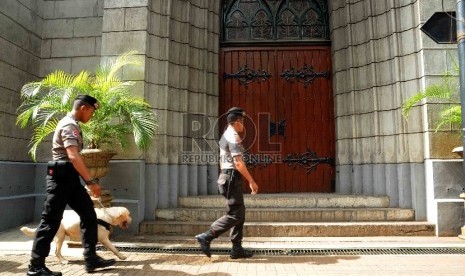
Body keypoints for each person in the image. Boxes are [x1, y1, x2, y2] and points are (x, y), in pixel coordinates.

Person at [27, 95, 115, 276]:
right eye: (91, 111)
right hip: (60, 180)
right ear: (83, 108)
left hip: (70, 178)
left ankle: (91, 259)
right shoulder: (69, 125)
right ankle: (35, 266)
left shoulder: (73, 124)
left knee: (88, 214)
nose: (91, 115)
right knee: (50, 221)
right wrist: (90, 182)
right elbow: (73, 156)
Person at [195, 107, 259, 259]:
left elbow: (221, 160)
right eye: (242, 121)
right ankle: (207, 236)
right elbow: (238, 163)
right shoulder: (233, 136)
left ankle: (237, 248)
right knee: (236, 214)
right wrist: (252, 181)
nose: (243, 124)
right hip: (231, 177)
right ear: (237, 122)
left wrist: (224, 175)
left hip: (227, 177)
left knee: (239, 213)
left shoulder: (225, 135)